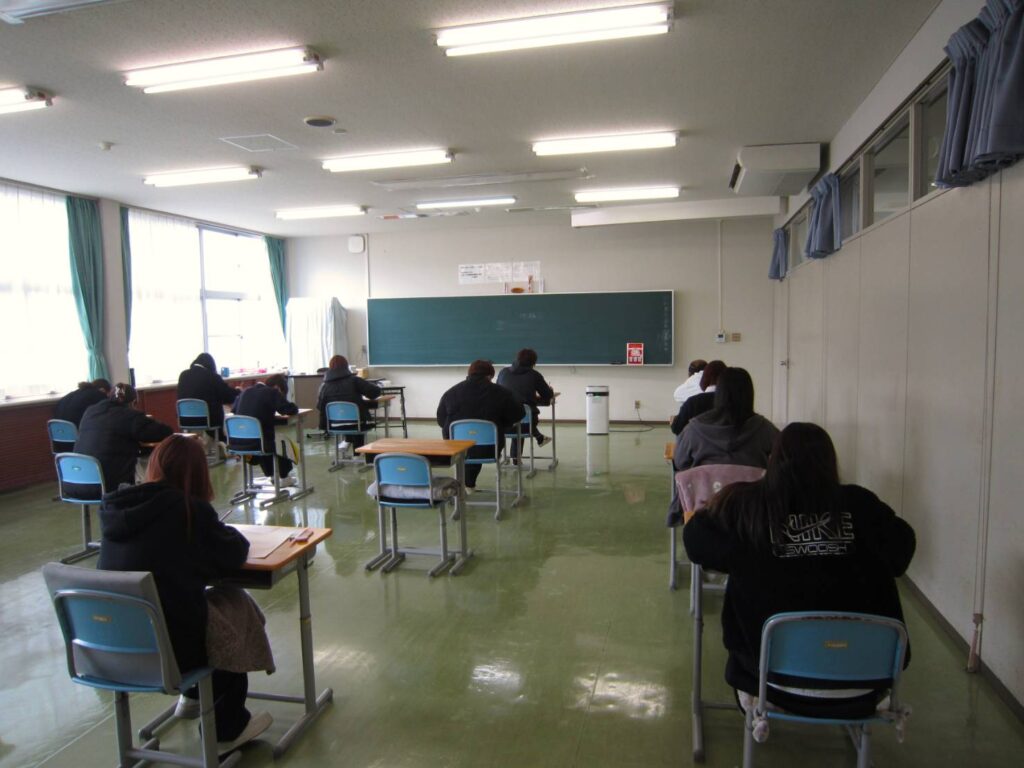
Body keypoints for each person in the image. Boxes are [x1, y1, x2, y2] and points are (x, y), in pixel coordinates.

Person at [683, 423, 916, 716]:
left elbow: (696, 543)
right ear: (831, 463)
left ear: (773, 461)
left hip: (768, 681)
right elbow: (901, 551)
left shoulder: (747, 507)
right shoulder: (861, 505)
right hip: (866, 682)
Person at [98, 434, 273, 752]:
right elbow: (233, 554)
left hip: (112, 643)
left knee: (181, 607)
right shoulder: (189, 510)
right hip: (170, 650)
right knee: (235, 606)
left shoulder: (115, 507)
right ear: (198, 473)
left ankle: (192, 697)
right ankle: (227, 727)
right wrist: (218, 529)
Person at [437, 360, 524, 491]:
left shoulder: (451, 393)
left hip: (456, 449)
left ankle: (467, 484)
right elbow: (518, 415)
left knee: (470, 446)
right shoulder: (502, 393)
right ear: (490, 376)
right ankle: (468, 484)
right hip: (490, 448)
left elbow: (441, 420)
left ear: (469, 373)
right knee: (477, 445)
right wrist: (503, 423)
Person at [674, 367, 779, 472]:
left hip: (705, 482)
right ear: (749, 394)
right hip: (754, 482)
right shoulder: (764, 428)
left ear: (719, 393)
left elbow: (680, 462)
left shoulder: (694, 430)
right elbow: (782, 457)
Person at [75, 383, 173, 488]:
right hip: (108, 483)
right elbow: (164, 432)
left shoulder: (90, 412)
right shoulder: (130, 416)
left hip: (77, 481)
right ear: (133, 403)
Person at [232, 374, 299, 485]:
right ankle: (284, 477)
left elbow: (234, 410)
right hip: (259, 444)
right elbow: (289, 410)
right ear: (277, 387)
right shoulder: (272, 392)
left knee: (265, 438)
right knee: (280, 442)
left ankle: (272, 475)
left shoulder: (245, 391)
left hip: (237, 442)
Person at [315, 354, 381, 453]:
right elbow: (375, 392)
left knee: (350, 420)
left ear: (330, 367)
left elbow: (320, 406)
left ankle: (347, 441)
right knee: (356, 421)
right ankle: (357, 453)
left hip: (333, 424)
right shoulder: (354, 380)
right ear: (346, 366)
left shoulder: (324, 386)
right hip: (357, 423)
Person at [497, 348, 554, 454]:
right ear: (533, 362)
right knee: (521, 417)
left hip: (503, 423)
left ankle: (516, 457)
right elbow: (547, 395)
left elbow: (498, 391)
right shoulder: (534, 375)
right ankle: (537, 438)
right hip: (527, 424)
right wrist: (549, 390)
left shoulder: (503, 372)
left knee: (516, 414)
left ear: (517, 358)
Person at [176, 352, 240, 441]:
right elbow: (228, 397)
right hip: (208, 421)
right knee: (227, 413)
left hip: (185, 420)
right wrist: (238, 391)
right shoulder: (212, 377)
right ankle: (224, 442)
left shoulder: (183, 375)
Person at [670, 360, 724, 435]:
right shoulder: (733, 400)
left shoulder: (693, 402)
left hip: (696, 439)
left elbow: (677, 428)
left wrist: (674, 421)